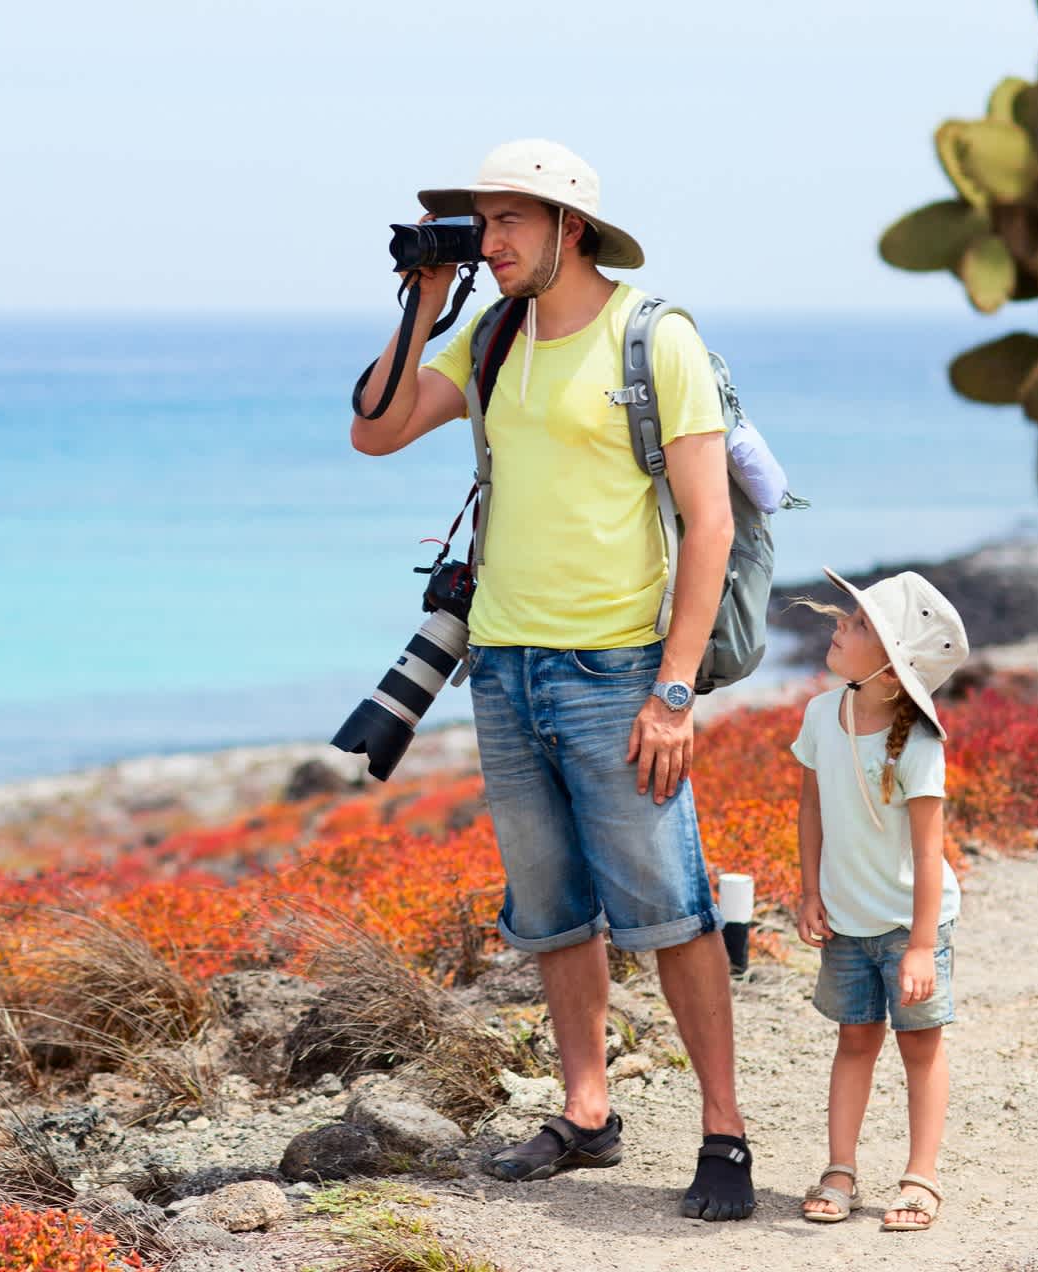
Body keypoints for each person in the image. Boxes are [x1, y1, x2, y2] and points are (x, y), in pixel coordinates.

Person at [350, 140, 754, 1221]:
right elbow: (373, 431)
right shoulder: (487, 334)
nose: (492, 241)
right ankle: (586, 1115)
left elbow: (709, 523)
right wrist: (426, 302)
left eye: (510, 222)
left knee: (672, 909)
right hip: (502, 667)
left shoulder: (652, 338)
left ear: (570, 227)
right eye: (480, 223)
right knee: (551, 913)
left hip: (617, 671)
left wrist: (673, 691)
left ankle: (725, 1132)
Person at [791, 569, 968, 1231]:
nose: (839, 623)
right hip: (845, 921)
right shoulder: (819, 713)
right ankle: (840, 1169)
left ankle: (921, 1178)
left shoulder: (920, 744)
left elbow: (929, 852)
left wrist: (922, 945)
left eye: (859, 624)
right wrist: (809, 892)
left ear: (892, 673)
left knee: (920, 1047)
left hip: (908, 926)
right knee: (855, 1041)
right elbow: (809, 808)